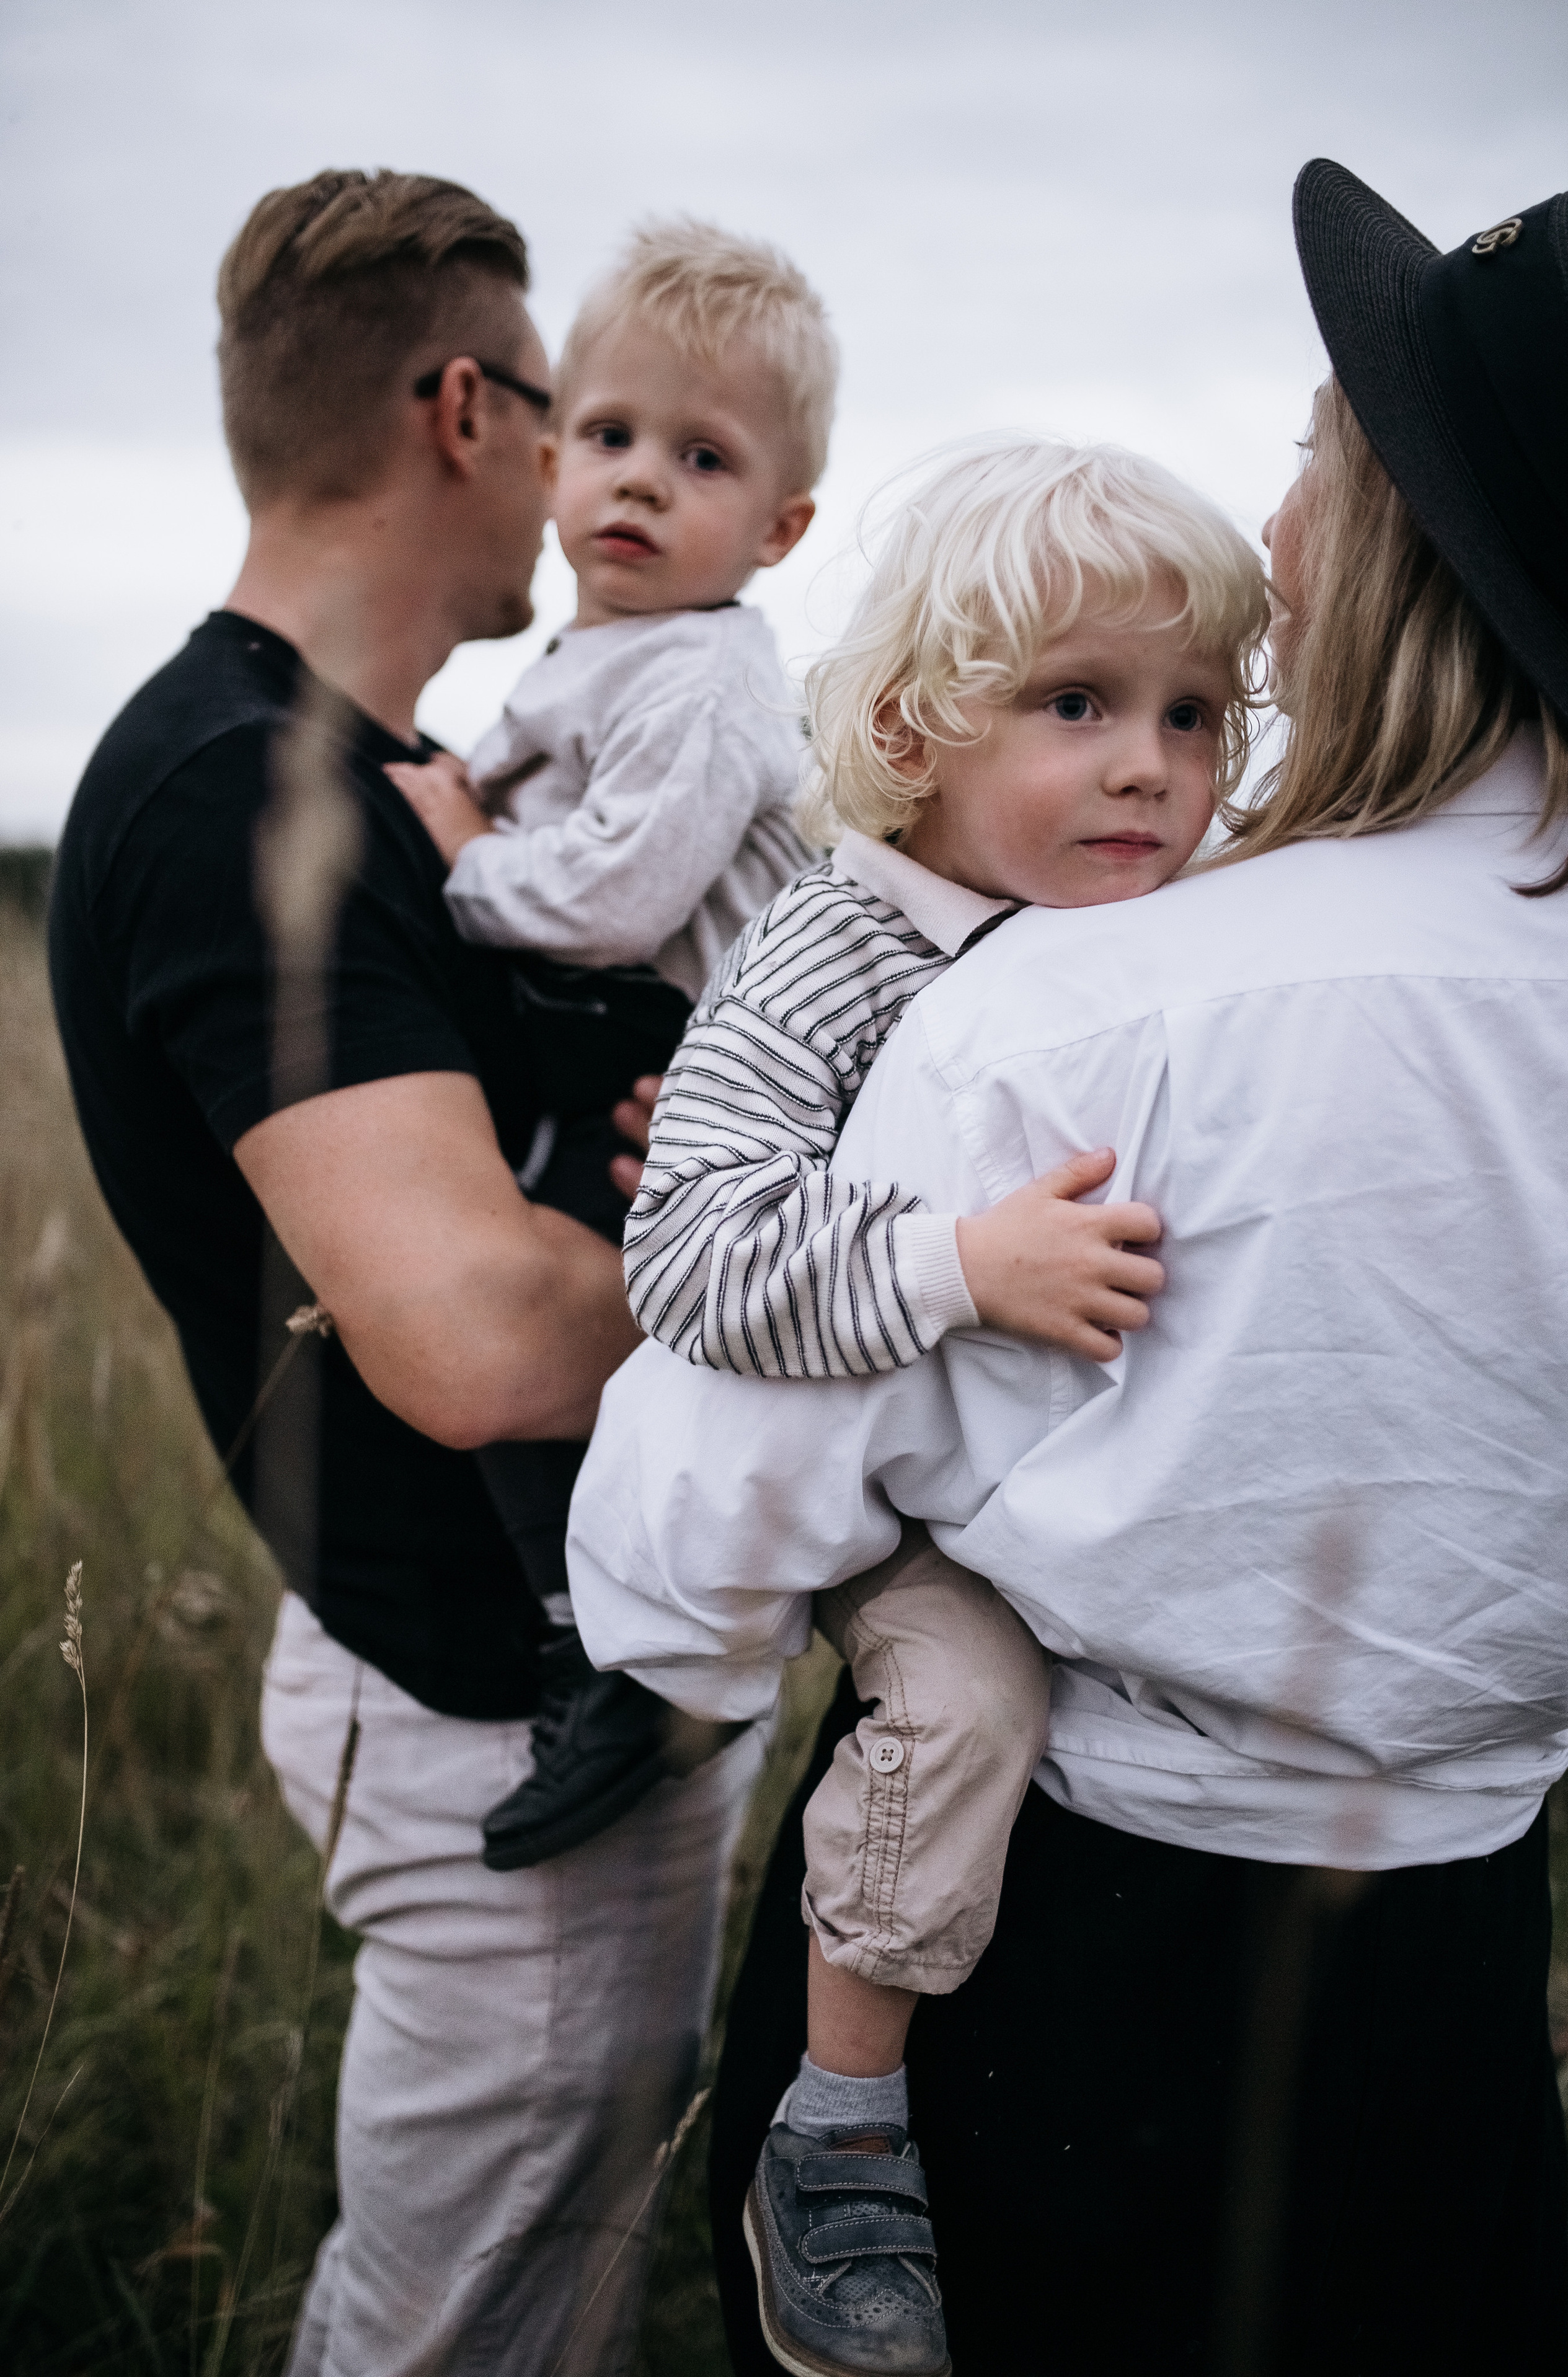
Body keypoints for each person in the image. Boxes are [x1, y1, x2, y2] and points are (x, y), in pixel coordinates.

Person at [566, 159, 1568, 2375]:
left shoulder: (1085, 1008)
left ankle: (839, 2140)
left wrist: (680, 1619)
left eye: (1325, 445)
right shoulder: (961, 952)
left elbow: (744, 1500)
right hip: (1457, 1939)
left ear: (1409, 521)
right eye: (1074, 706)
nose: (1291, 491)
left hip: (1085, 1931)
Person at [48, 167, 763, 2377]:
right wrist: (783, 1256)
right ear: (467, 408)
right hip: (489, 1738)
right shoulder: (235, 799)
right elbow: (474, 1343)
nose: (584, 476)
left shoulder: (399, 786)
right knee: (457, 2340)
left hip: (509, 1666)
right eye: (566, 416)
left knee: (543, 2301)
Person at [619, 433, 1266, 2376]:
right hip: (850, 1496)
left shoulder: (1130, 932)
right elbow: (692, 1250)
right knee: (967, 1704)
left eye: (1192, 712)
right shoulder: (840, 943)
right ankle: (838, 2117)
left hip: (1009, 1468)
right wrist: (957, 1265)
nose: (1151, 762)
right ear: (915, 726)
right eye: (1076, 705)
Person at [384, 218, 836, 1869]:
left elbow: (615, 885)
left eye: (701, 457)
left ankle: (633, 1658)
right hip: (639, 1045)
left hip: (726, 1067)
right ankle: (614, 1629)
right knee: (535, 1314)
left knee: (543, 1337)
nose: (640, 483)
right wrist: (456, 793)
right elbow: (499, 767)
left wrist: (458, 856)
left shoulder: (711, 680)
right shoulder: (593, 653)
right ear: (557, 449)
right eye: (613, 437)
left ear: (781, 526)